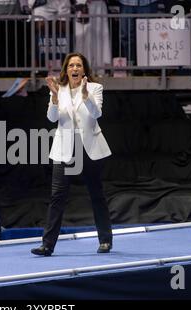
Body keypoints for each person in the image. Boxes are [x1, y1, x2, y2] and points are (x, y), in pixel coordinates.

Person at [31, 52, 113, 256]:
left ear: (84, 69)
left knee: (96, 195)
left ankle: (105, 240)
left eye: (78, 65)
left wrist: (85, 95)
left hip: (89, 149)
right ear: (66, 70)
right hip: (64, 149)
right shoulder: (58, 90)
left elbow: (97, 114)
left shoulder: (95, 88)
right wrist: (56, 97)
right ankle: (47, 245)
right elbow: (51, 118)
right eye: (71, 65)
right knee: (57, 196)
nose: (75, 69)